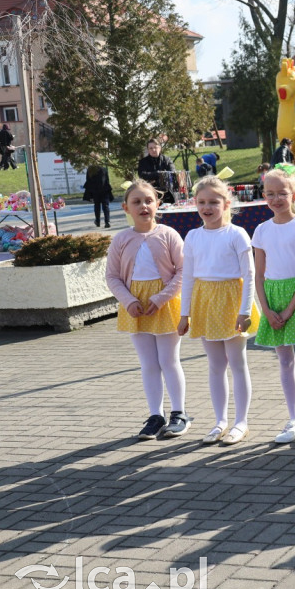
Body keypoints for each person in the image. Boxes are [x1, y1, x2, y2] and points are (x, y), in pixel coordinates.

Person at [177, 176, 260, 446]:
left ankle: (241, 422)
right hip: (205, 302)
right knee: (215, 366)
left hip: (232, 302)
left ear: (227, 203)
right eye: (201, 202)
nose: (207, 207)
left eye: (213, 201)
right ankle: (220, 421)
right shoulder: (192, 236)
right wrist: (184, 313)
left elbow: (249, 275)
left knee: (237, 363)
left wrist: (244, 310)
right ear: (194, 204)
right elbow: (187, 277)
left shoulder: (237, 234)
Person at [106, 180, 188, 439]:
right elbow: (112, 276)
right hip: (135, 307)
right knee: (148, 363)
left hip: (164, 305)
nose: (143, 206)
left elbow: (184, 271)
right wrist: (128, 301)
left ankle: (179, 413)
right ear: (126, 208)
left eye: (148, 201)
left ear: (158, 204)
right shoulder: (121, 239)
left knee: (169, 360)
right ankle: (156, 415)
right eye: (137, 202)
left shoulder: (168, 234)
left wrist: (161, 298)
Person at [252, 168, 295, 445]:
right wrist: (267, 309)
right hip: (273, 297)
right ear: (264, 196)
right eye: (270, 193)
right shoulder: (261, 230)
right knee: (284, 361)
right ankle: (292, 418)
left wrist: (290, 309)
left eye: (282, 193)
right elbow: (258, 275)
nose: (276, 198)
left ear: (293, 195)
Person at [83, 164, 114, 228]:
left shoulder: (90, 170)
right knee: (106, 206)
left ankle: (98, 221)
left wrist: (89, 194)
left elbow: (88, 182)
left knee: (97, 206)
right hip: (104, 190)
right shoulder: (103, 169)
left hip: (95, 191)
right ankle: (107, 221)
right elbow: (107, 180)